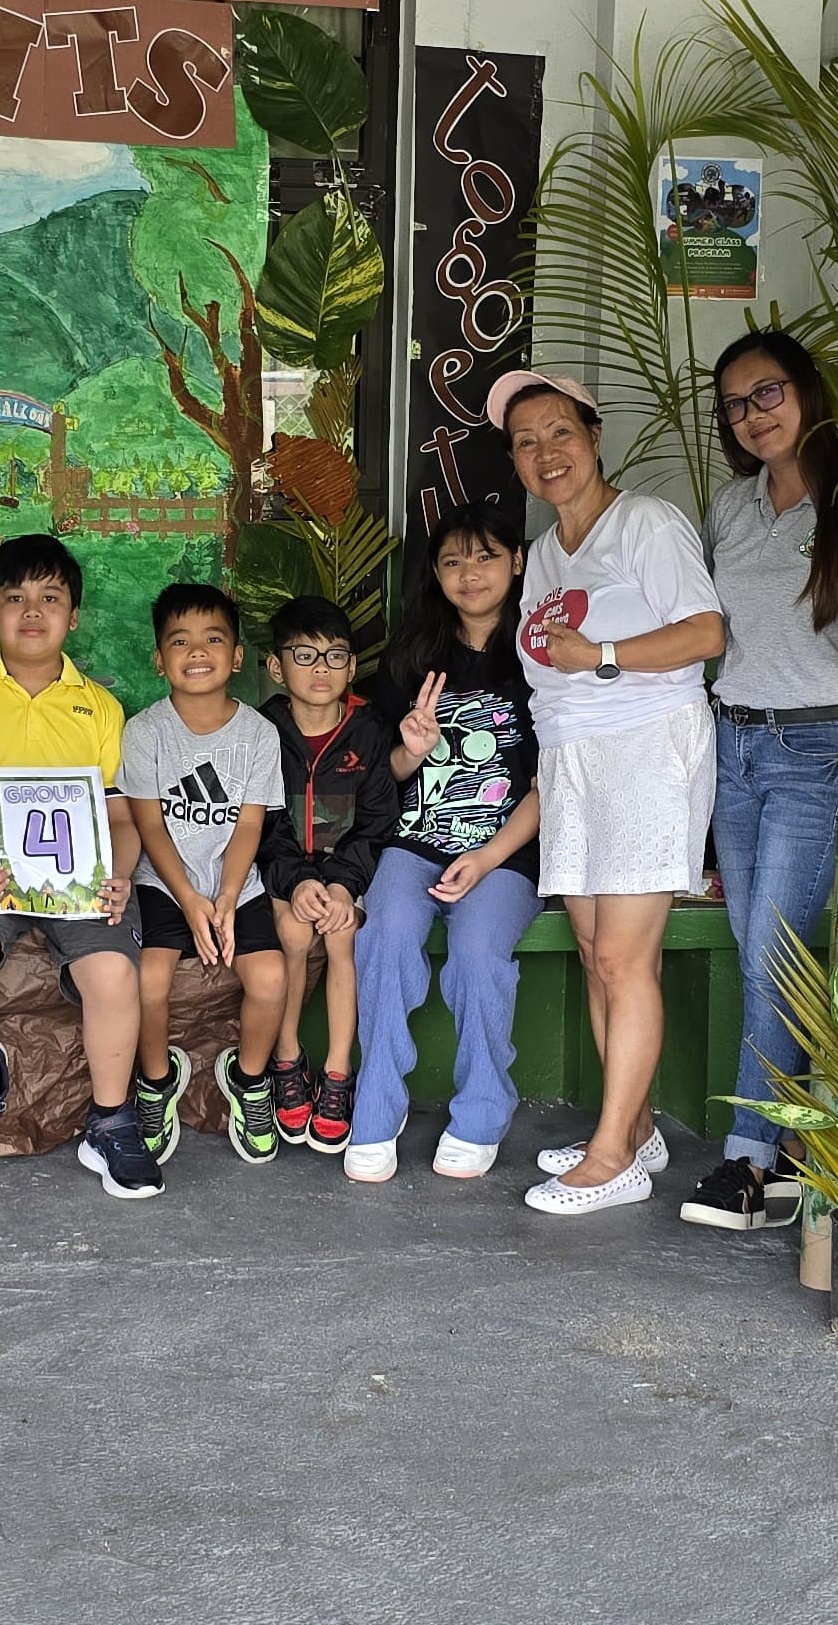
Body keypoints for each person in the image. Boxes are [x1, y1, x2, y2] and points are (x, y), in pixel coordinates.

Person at [490, 369, 726, 1216]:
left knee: (624, 958)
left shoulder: (646, 522)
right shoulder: (548, 549)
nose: (545, 453)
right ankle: (632, 1130)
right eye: (525, 442)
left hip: (645, 751)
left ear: (594, 436)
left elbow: (707, 632)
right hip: (575, 761)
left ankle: (611, 1158)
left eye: (559, 432)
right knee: (600, 955)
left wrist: (603, 657)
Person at [689, 331, 838, 1231]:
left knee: (775, 959)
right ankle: (798, 1155)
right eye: (735, 404)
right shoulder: (731, 507)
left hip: (819, 750)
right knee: (766, 957)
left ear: (807, 392)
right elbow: (707, 630)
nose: (753, 415)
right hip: (734, 749)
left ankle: (748, 1163)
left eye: (767, 393)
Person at [0, 536, 157, 1197]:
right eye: (14, 598)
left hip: (81, 877)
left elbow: (121, 819)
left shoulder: (99, 707)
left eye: (50, 598)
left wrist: (121, 878)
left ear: (73, 615)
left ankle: (110, 1122)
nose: (31, 612)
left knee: (110, 969)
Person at [346, 505, 545, 1185]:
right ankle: (376, 1107)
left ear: (516, 562)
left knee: (477, 953)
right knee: (387, 935)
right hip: (416, 841)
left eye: (486, 557)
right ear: (435, 573)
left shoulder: (543, 656)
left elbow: (555, 783)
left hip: (506, 853)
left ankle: (483, 1110)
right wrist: (409, 750)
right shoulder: (411, 657)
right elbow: (387, 777)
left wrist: (487, 857)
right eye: (454, 561)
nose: (470, 574)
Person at [120, 583, 288, 1165]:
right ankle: (156, 1079)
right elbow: (148, 824)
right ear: (159, 658)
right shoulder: (144, 731)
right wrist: (191, 899)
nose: (198, 652)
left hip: (236, 881)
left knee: (268, 977)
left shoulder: (258, 735)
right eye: (181, 641)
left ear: (237, 656)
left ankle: (248, 1078)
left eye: (214, 639)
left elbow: (248, 824)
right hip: (164, 880)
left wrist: (229, 894)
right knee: (149, 980)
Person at [254, 595, 397, 1163]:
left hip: (347, 873)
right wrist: (295, 882)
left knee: (342, 936)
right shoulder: (262, 732)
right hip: (285, 872)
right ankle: (287, 1059)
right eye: (305, 655)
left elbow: (379, 822)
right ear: (275, 666)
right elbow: (259, 823)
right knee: (292, 934)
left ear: (352, 665)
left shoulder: (368, 732)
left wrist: (340, 884)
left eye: (335, 656)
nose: (321, 670)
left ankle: (337, 1074)